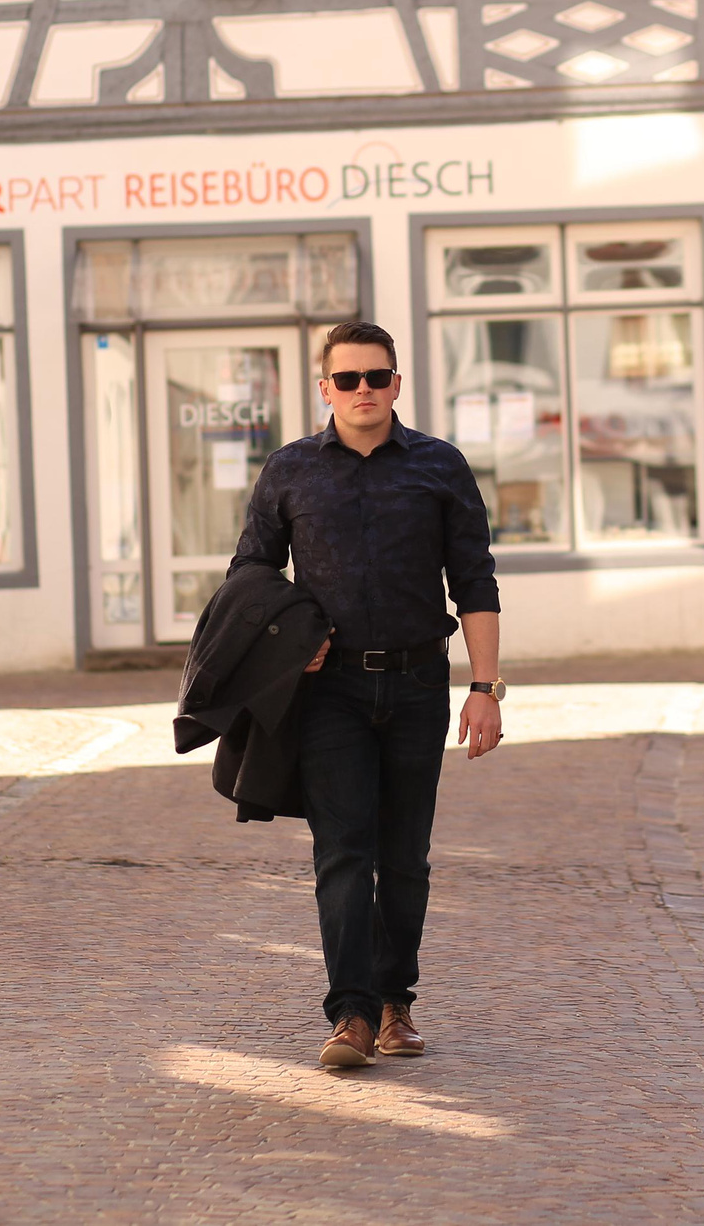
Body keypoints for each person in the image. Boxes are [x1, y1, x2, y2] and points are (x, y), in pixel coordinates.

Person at [229, 320, 503, 1069]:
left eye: (375, 377)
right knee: (344, 850)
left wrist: (485, 687)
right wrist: (291, 637)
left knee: (405, 855)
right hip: (331, 691)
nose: (361, 391)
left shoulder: (440, 466)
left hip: (420, 682)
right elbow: (250, 572)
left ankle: (395, 1002)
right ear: (324, 388)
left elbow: (475, 580)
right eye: (346, 379)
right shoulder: (289, 472)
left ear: (396, 384)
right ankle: (349, 1013)